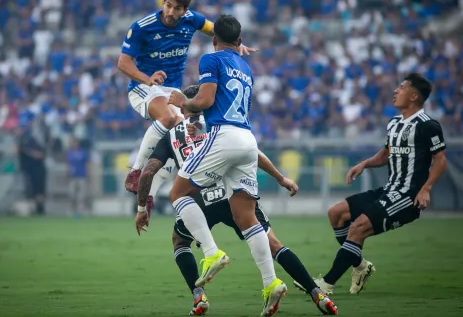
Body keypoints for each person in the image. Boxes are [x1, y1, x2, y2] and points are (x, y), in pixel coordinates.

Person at [134, 84, 338, 316]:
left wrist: (142, 208)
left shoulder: (172, 136)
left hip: (198, 200)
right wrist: (281, 178)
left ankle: (198, 296)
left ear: (183, 107)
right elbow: (253, 153)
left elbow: (148, 172)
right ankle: (316, 294)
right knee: (273, 244)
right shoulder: (220, 125)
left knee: (180, 242)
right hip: (233, 194)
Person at [165, 14, 286, 317]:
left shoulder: (211, 59)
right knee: (246, 216)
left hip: (224, 135)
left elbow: (204, 100)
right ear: (241, 42)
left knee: (178, 194)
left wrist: (184, 103)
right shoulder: (245, 67)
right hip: (248, 139)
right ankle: (271, 283)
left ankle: (211, 252)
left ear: (214, 39)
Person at [118, 0, 256, 202]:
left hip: (170, 89)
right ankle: (135, 171)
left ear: (185, 10)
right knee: (169, 117)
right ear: (163, 3)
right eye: (168, 6)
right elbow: (123, 63)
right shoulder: (142, 27)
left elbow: (217, 32)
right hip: (143, 87)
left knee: (180, 136)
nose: (172, 12)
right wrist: (148, 79)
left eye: (178, 8)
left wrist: (237, 45)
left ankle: (151, 192)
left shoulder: (193, 19)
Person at [315, 73, 448, 295]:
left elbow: (441, 160)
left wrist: (426, 188)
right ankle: (360, 266)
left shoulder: (428, 125)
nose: (396, 90)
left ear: (414, 96)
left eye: (402, 88)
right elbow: (387, 153)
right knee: (336, 213)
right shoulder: (394, 123)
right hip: (388, 189)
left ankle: (326, 284)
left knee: (357, 228)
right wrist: (365, 164)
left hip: (407, 196)